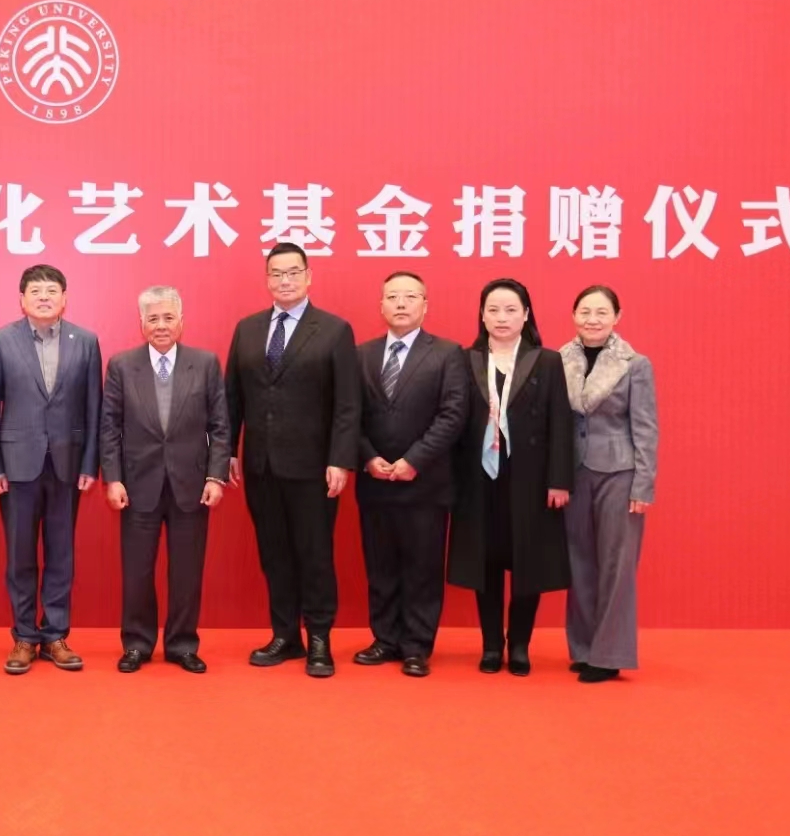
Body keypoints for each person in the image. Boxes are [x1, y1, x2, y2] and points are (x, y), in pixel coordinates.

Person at [225, 242, 360, 677]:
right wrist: (226, 451)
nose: (285, 280)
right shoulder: (247, 329)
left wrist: (340, 459)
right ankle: (285, 635)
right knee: (275, 553)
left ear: (308, 276)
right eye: (276, 273)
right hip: (261, 465)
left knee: (314, 553)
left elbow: (347, 404)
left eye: (293, 272)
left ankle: (319, 637)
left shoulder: (334, 330)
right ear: (267, 279)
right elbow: (232, 398)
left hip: (314, 467)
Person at [0, 264, 103, 675]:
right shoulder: (1, 340)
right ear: (22, 299)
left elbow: (94, 407)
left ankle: (55, 636)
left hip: (68, 464)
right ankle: (24, 637)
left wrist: (90, 462)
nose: (44, 297)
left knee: (61, 554)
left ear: (65, 298)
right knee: (20, 556)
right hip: (16, 466)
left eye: (52, 290)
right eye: (36, 291)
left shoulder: (86, 342)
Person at [100, 287, 230, 674]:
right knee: (137, 571)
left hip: (192, 484)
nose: (161, 325)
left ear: (181, 322)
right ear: (141, 324)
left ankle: (182, 644)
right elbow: (109, 428)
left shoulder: (205, 363)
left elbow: (220, 426)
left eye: (168, 317)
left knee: (187, 571)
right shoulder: (122, 365)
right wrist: (113, 479)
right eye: (153, 318)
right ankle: (137, 643)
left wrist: (216, 476)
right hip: (137, 485)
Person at [448, 278, 574, 677]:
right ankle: (491, 645)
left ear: (526, 315)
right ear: (482, 315)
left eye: (510, 310)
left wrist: (559, 480)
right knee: (483, 562)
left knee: (528, 562)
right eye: (493, 310)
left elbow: (561, 424)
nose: (501, 317)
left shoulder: (547, 361)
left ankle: (519, 644)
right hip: (478, 480)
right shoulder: (464, 360)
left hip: (531, 482)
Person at [353, 272, 467, 678]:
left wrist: (414, 460)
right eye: (392, 297)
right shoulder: (360, 355)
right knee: (380, 566)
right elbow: (349, 414)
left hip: (426, 483)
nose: (401, 304)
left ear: (425, 305)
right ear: (381, 305)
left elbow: (453, 414)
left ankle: (417, 645)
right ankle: (385, 639)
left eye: (410, 296)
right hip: (375, 481)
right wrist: (368, 457)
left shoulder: (448, 353)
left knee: (422, 568)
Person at [560, 286, 658, 684]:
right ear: (573, 316)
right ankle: (584, 649)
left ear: (617, 317)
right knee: (578, 561)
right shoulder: (558, 359)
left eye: (602, 312)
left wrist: (643, 485)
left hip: (620, 472)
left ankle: (610, 654)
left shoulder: (635, 364)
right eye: (585, 311)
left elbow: (646, 428)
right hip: (573, 473)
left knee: (617, 565)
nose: (593, 319)